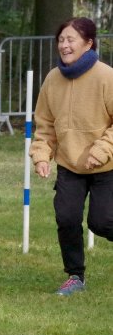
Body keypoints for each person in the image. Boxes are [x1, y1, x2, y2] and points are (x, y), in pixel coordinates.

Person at [30, 17, 113, 296]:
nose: (64, 45)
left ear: (88, 44)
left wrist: (100, 151)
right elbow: (44, 124)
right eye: (61, 40)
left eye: (71, 40)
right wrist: (41, 155)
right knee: (66, 218)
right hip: (69, 164)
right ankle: (75, 276)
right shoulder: (53, 79)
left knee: (101, 223)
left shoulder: (106, 76)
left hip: (106, 166)